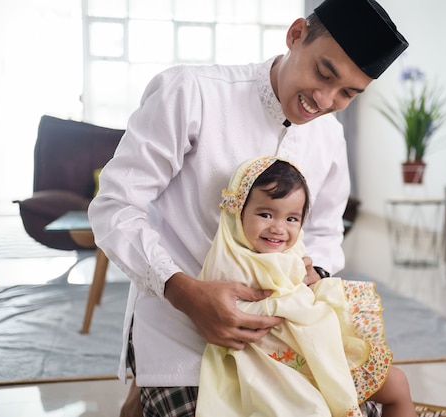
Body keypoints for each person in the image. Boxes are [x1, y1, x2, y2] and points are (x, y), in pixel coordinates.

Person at [87, 0, 408, 415]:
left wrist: (315, 272)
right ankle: (143, 385)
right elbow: (115, 207)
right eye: (323, 73)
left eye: (348, 93)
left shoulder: (329, 137)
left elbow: (327, 231)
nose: (325, 100)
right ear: (295, 36)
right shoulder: (191, 92)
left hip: (284, 344)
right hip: (181, 332)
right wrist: (185, 293)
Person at [195, 155, 416, 417]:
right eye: (265, 214)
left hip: (320, 351)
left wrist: (317, 286)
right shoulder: (231, 261)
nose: (278, 228)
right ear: (238, 210)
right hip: (282, 366)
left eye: (291, 219)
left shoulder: (294, 251)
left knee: (397, 383)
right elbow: (250, 313)